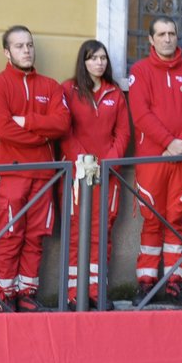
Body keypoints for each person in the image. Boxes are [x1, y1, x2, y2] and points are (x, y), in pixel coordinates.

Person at [0, 25, 69, 311]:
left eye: (29, 45)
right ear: (7, 52)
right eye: (19, 46)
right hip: (9, 172)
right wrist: (43, 134)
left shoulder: (51, 86)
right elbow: (3, 129)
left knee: (36, 237)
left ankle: (27, 292)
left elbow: (62, 124)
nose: (26, 50)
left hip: (43, 173)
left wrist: (27, 121)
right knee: (9, 235)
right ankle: (5, 295)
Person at [129, 16, 182, 307]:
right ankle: (146, 283)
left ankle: (175, 283)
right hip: (153, 158)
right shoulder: (140, 71)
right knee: (152, 218)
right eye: (161, 34)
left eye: (171, 33)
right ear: (151, 40)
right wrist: (168, 143)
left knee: (176, 219)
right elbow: (141, 113)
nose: (167, 38)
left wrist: (181, 144)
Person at [59, 40, 130, 310]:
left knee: (102, 233)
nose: (99, 63)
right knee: (77, 233)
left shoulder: (115, 93)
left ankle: (96, 291)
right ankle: (75, 293)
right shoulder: (68, 89)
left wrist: (107, 163)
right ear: (83, 61)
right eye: (93, 58)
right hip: (78, 175)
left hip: (106, 176)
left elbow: (123, 133)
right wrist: (82, 162)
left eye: (102, 58)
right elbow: (65, 130)